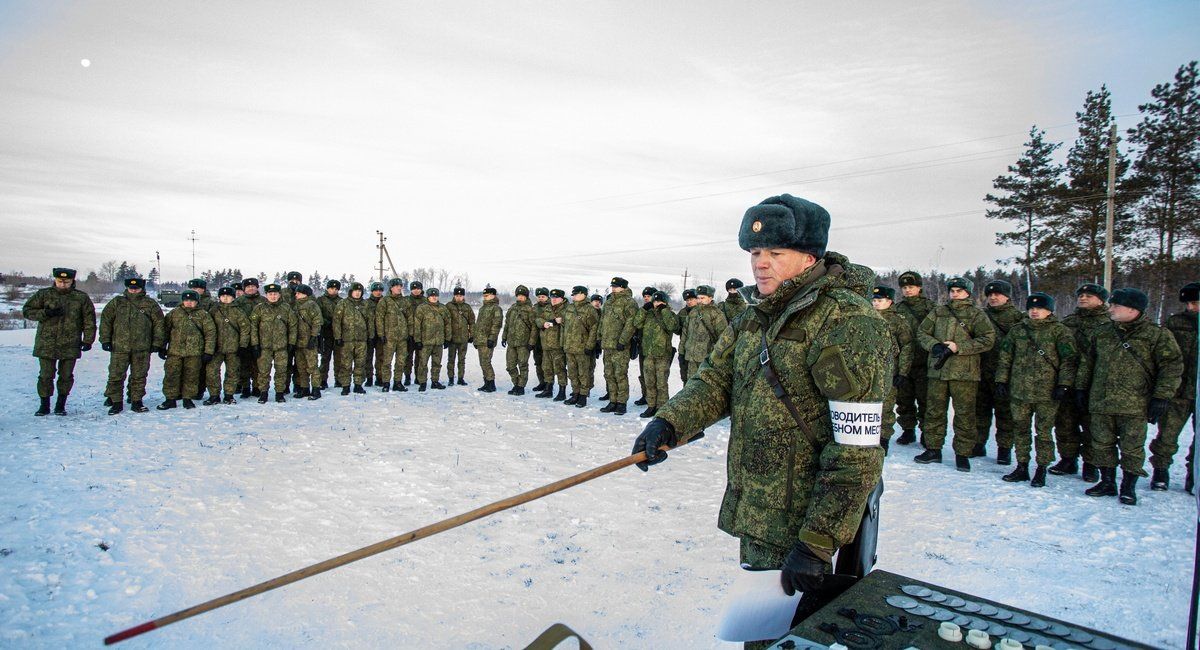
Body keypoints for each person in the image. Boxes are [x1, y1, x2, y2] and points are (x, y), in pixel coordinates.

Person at [633, 195, 888, 641]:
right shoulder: (756, 316)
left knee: (801, 636)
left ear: (810, 257)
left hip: (812, 522)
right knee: (763, 634)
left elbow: (857, 448)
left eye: (776, 253)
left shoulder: (846, 322)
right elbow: (715, 380)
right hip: (762, 511)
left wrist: (817, 541)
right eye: (755, 253)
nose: (761, 264)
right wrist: (669, 422)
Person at [1076, 287, 1183, 505]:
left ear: (1133, 309)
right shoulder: (1102, 331)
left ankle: (1128, 485)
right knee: (1101, 443)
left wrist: (1161, 397)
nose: (1111, 308)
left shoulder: (1156, 335)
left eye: (1116, 305)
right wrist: (1080, 389)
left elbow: (1171, 367)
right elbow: (1088, 363)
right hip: (1101, 400)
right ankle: (1107, 481)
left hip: (1135, 404)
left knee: (1132, 447)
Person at [994, 292, 1077, 488]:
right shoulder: (1018, 331)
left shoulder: (1060, 332)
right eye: (1031, 308)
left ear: (1049, 311)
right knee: (1020, 429)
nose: (1034, 311)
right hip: (1019, 390)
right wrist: (1001, 381)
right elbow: (1005, 357)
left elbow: (1069, 361)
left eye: (1039, 308)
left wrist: (1063, 385)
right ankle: (1022, 466)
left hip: (1047, 392)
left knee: (1044, 432)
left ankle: (1041, 468)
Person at [914, 277, 996, 471]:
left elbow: (988, 339)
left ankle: (963, 453)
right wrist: (934, 345)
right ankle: (933, 449)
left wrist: (960, 347)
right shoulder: (938, 312)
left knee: (965, 414)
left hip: (965, 373)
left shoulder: (976, 314)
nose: (955, 294)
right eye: (952, 290)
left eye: (959, 290)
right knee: (934, 412)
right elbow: (922, 333)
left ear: (968, 292)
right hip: (938, 371)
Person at [1049, 283, 1111, 481]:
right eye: (1081, 295)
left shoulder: (1110, 323)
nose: (1083, 298)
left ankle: (1090, 463)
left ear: (1101, 300)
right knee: (1065, 422)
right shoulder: (1069, 322)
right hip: (1067, 379)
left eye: (1089, 296)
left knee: (1092, 424)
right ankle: (1068, 459)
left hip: (1096, 382)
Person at [23, 268, 97, 416]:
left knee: (66, 376)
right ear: (55, 280)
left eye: (66, 282)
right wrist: (45, 313)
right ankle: (44, 405)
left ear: (72, 281)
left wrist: (88, 340)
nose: (63, 284)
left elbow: (89, 321)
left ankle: (60, 405)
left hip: (70, 343)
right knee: (45, 375)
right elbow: (27, 311)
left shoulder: (81, 298)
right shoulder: (44, 294)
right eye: (60, 281)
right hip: (46, 343)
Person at [1148, 282, 1199, 492]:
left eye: (1195, 303)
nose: (1191, 308)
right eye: (1188, 303)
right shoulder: (1175, 323)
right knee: (1167, 435)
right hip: (1177, 390)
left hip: (1198, 390)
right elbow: (1163, 356)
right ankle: (1160, 471)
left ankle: (1193, 476)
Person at [99, 276, 164, 415]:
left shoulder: (150, 304)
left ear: (142, 288)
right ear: (127, 288)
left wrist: (157, 343)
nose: (134, 291)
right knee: (116, 375)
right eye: (131, 288)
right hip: (119, 347)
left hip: (142, 348)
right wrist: (105, 340)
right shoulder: (117, 302)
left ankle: (136, 401)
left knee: (139, 376)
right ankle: (116, 402)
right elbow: (106, 321)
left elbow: (159, 324)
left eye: (137, 288)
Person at [976, 279, 1025, 462]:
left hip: (1006, 374)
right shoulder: (980, 315)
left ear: (1007, 296)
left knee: (1005, 413)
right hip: (981, 370)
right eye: (990, 295)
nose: (993, 297)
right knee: (979, 411)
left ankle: (1004, 449)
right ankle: (978, 444)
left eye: (997, 294)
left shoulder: (1018, 318)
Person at [893, 271, 935, 446]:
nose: (908, 290)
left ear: (919, 288)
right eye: (904, 287)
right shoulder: (898, 308)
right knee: (904, 399)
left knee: (926, 399)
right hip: (904, 362)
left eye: (911, 287)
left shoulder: (931, 308)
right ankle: (908, 430)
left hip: (924, 361)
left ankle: (927, 432)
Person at [158, 289, 216, 410]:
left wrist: (208, 351)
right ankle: (170, 399)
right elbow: (165, 331)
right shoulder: (174, 313)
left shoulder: (203, 315)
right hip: (175, 352)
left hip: (194, 353)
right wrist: (162, 347)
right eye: (186, 300)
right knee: (171, 375)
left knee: (191, 376)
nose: (189, 303)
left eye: (192, 300)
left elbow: (210, 334)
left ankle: (188, 399)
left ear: (197, 301)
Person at [871, 285, 913, 450]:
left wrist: (903, 372)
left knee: (886, 407)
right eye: (873, 300)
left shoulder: (898, 321)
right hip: (870, 371)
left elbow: (907, 347)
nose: (876, 304)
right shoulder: (867, 317)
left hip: (890, 371)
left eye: (879, 300)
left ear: (889, 301)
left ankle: (883, 439)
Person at [250, 283, 298, 404]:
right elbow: (253, 327)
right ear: (266, 295)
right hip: (264, 346)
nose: (273, 296)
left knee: (281, 371)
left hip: (281, 347)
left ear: (279, 294)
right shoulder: (259, 308)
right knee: (263, 371)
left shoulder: (286, 308)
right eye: (270, 294)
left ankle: (279, 393)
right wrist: (255, 344)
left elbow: (292, 326)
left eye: (275, 294)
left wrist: (291, 343)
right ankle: (263, 393)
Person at [635, 290, 679, 418]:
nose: (656, 304)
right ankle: (651, 406)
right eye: (655, 301)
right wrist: (643, 309)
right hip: (648, 354)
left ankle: (662, 408)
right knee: (649, 382)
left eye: (659, 301)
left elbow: (673, 327)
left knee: (661, 383)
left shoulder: (669, 314)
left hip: (662, 355)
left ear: (665, 303)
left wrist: (664, 311)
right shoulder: (648, 314)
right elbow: (636, 323)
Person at [599, 277, 639, 414]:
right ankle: (612, 400)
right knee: (609, 374)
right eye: (612, 286)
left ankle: (621, 403)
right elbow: (602, 320)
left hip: (620, 346)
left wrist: (623, 341)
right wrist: (599, 337)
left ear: (623, 287)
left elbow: (631, 323)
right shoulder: (609, 301)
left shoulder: (629, 302)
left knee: (620, 374)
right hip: (607, 344)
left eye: (616, 286)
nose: (613, 288)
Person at [203, 286, 250, 405]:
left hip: (233, 348)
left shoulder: (238, 311)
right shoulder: (213, 310)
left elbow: (245, 329)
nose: (225, 298)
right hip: (216, 348)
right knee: (212, 372)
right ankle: (214, 395)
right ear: (219, 297)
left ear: (233, 298)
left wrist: (243, 346)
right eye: (223, 296)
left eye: (228, 296)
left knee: (232, 372)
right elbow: (207, 328)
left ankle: (229, 395)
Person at [333, 282, 374, 395]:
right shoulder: (343, 304)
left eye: (360, 291)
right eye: (355, 291)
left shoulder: (365, 304)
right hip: (347, 340)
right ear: (351, 292)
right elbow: (336, 321)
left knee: (360, 363)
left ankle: (358, 385)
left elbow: (370, 321)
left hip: (362, 340)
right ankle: (345, 385)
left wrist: (371, 336)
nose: (357, 293)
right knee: (346, 363)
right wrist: (338, 337)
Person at [562, 286, 600, 407]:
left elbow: (594, 329)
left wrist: (589, 345)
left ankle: (583, 396)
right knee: (572, 372)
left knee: (583, 373)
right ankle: (575, 393)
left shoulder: (589, 309)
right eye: (573, 294)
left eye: (576, 294)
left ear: (583, 294)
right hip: (569, 346)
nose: (573, 296)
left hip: (582, 347)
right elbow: (565, 325)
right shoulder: (570, 308)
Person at [681, 285, 728, 382]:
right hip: (691, 358)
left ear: (710, 298)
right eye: (698, 298)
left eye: (702, 298)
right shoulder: (693, 312)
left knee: (703, 386)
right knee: (689, 385)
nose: (699, 300)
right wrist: (682, 352)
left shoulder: (716, 314)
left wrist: (716, 357)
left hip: (706, 359)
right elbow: (685, 334)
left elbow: (723, 338)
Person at [375, 278, 411, 393]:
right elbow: (379, 318)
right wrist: (381, 334)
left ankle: (397, 382)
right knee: (387, 361)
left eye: (400, 286)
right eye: (396, 286)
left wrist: (410, 334)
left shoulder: (405, 301)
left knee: (401, 361)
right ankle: (386, 383)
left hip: (402, 338)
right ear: (391, 288)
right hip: (389, 337)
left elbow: (410, 318)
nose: (399, 288)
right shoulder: (385, 301)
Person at [412, 288, 451, 391]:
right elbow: (417, 325)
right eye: (432, 295)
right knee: (423, 363)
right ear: (428, 297)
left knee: (437, 363)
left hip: (438, 341)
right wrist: (418, 340)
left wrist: (447, 338)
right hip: (425, 341)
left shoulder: (443, 308)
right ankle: (422, 382)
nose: (434, 297)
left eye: (436, 295)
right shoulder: (422, 308)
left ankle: (435, 381)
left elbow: (447, 324)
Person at [502, 285, 538, 395]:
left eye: (522, 296)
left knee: (522, 365)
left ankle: (521, 386)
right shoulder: (512, 308)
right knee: (510, 366)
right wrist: (504, 337)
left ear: (526, 297)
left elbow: (534, 327)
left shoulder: (530, 310)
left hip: (524, 343)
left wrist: (531, 342)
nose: (520, 298)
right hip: (511, 342)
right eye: (518, 295)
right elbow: (507, 324)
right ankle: (516, 384)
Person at [234, 278, 265, 398]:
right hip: (244, 337)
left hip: (260, 337)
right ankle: (245, 387)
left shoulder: (264, 301)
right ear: (244, 289)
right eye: (248, 287)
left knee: (258, 364)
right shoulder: (239, 302)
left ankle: (257, 387)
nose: (251, 288)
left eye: (253, 286)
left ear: (257, 287)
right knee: (244, 364)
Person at [536, 289, 570, 400]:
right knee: (547, 368)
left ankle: (562, 391)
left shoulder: (567, 309)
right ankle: (548, 389)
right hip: (545, 344)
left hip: (558, 345)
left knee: (560, 368)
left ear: (562, 299)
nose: (554, 300)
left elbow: (570, 323)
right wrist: (544, 323)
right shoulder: (547, 308)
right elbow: (538, 319)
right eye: (552, 297)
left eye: (556, 298)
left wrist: (562, 320)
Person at [292, 284, 323, 400]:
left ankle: (316, 389)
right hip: (298, 342)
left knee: (312, 367)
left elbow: (317, 322)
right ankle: (304, 389)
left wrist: (313, 337)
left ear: (305, 294)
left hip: (309, 342)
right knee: (301, 367)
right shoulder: (296, 306)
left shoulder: (311, 305)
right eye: (296, 293)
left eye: (298, 293)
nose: (296, 295)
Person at [474, 287, 504, 393]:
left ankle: (491, 384)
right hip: (480, 340)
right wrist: (475, 339)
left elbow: (497, 325)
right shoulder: (483, 308)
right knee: (482, 362)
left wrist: (492, 338)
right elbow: (478, 325)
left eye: (487, 295)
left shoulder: (496, 308)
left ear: (493, 295)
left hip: (488, 340)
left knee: (486, 362)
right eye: (484, 295)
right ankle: (486, 382)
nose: (485, 297)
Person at [316, 279, 343, 389]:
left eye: (336, 289)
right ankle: (322, 380)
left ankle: (339, 380)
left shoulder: (342, 301)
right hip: (325, 333)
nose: (334, 290)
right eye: (332, 288)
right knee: (325, 358)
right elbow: (318, 314)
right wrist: (327, 322)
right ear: (327, 288)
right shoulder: (321, 300)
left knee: (339, 358)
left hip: (338, 334)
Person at [446, 287, 476, 386]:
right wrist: (446, 337)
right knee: (451, 359)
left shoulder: (467, 307)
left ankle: (460, 378)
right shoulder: (449, 306)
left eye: (461, 296)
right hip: (452, 338)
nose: (459, 297)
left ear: (463, 296)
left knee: (462, 360)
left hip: (463, 338)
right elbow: (445, 322)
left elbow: (472, 322)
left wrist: (472, 335)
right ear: (454, 295)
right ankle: (451, 378)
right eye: (457, 295)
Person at [402, 281, 425, 384]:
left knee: (420, 358)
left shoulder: (425, 301)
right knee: (408, 357)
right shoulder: (405, 300)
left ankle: (418, 377)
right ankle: (407, 377)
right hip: (409, 333)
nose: (416, 290)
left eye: (418, 288)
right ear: (411, 289)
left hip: (423, 334)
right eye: (414, 288)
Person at [364, 281, 385, 387]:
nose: (378, 292)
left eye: (380, 290)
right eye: (376, 290)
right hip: (369, 334)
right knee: (368, 357)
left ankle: (380, 378)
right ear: (372, 291)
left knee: (381, 357)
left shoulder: (385, 302)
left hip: (382, 334)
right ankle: (369, 378)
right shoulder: (366, 303)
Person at [532, 287, 552, 392]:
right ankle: (542, 382)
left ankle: (549, 384)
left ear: (547, 297)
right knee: (538, 362)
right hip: (536, 340)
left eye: (543, 296)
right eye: (539, 297)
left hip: (548, 339)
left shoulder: (551, 307)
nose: (540, 298)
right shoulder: (534, 308)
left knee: (547, 364)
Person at [676, 288, 698, 382]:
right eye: (687, 300)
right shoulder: (682, 312)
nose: (689, 302)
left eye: (691, 299)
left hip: (698, 350)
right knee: (685, 377)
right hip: (685, 349)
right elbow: (677, 330)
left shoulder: (701, 312)